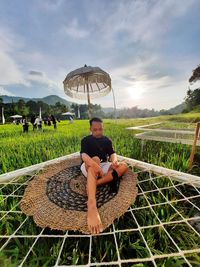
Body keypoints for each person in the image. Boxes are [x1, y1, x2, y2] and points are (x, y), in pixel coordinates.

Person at [80, 117, 128, 235]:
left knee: (123, 166)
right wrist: (95, 167)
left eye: (100, 129)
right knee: (95, 159)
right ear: (90, 129)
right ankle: (91, 203)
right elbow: (84, 156)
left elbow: (112, 153)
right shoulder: (86, 140)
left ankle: (95, 183)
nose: (98, 132)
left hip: (103, 165)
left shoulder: (106, 140)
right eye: (95, 130)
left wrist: (115, 161)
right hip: (89, 165)